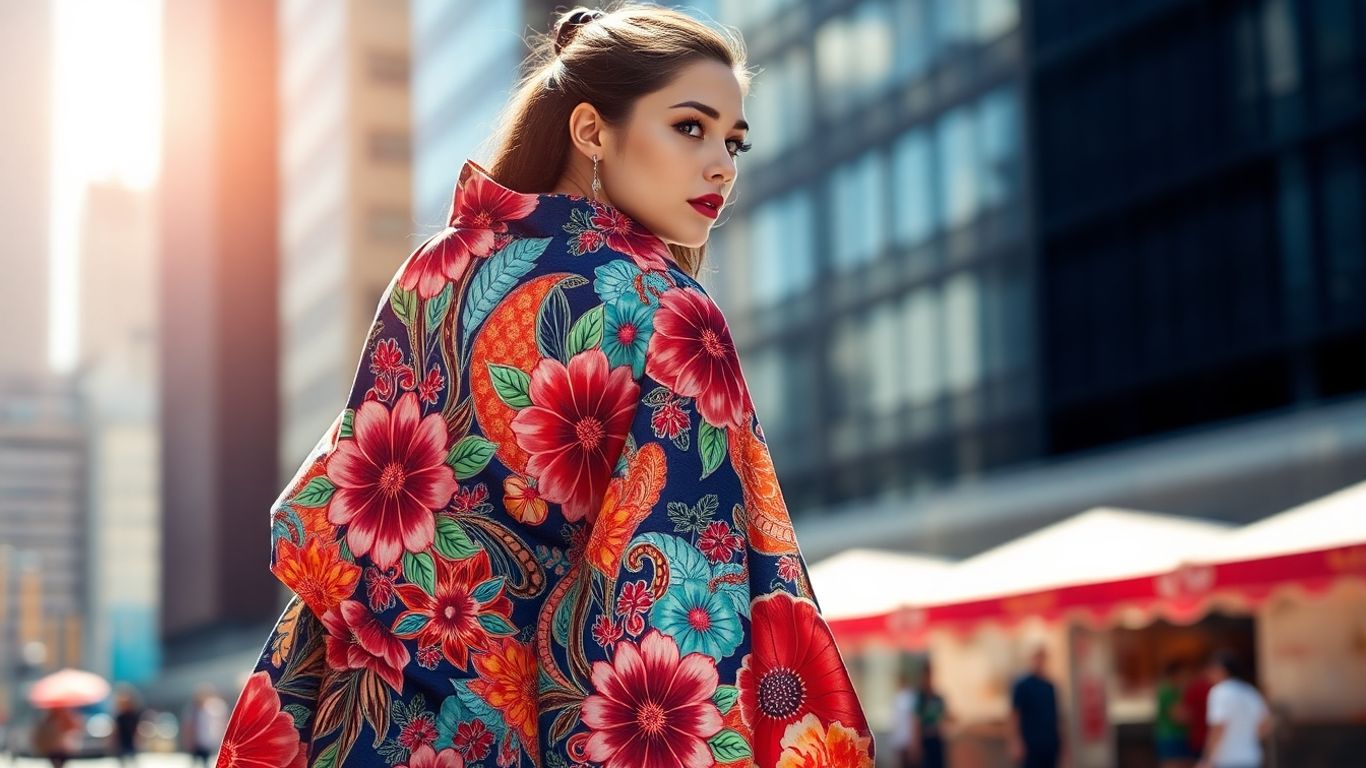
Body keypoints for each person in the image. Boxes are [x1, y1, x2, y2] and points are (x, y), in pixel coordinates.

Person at [216, 5, 874, 767]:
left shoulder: (434, 271)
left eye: (734, 140)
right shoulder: (671, 314)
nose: (723, 164)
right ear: (591, 131)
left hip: (368, 725)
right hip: (520, 736)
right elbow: (677, 606)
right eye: (691, 127)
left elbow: (352, 527)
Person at [1196, 649, 1270, 768]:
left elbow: (1218, 727)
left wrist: (1207, 758)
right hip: (1251, 757)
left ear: (1221, 670)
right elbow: (1265, 726)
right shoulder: (1250, 691)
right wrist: (1246, 738)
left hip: (1227, 759)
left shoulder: (1219, 692)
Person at [1009, 646, 1066, 768]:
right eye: (1037, 657)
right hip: (1031, 743)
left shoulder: (1050, 686)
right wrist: (1016, 741)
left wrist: (1062, 742)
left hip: (1049, 742)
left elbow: (1056, 717)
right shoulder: (1022, 685)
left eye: (1042, 657)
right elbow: (1015, 714)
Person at [1155, 659, 1195, 767]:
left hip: (1184, 738)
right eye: (1183, 674)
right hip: (1170, 738)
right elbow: (1179, 717)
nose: (1186, 677)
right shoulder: (1167, 691)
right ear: (1174, 674)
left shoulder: (1183, 690)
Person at [912, 662, 951, 768]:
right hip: (925, 741)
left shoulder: (938, 698)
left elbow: (945, 717)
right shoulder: (920, 699)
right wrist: (916, 745)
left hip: (937, 740)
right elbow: (916, 722)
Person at [182, 685, 227, 766]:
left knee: (206, 762)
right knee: (194, 763)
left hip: (208, 741)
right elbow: (188, 726)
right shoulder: (193, 710)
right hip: (196, 741)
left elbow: (221, 723)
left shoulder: (213, 708)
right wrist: (189, 740)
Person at [1183, 652, 1214, 759]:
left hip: (1201, 737)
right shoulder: (1218, 687)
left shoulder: (1194, 687)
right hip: (1211, 738)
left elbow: (1184, 715)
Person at [891, 670, 919, 768]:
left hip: (907, 740)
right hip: (901, 740)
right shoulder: (899, 697)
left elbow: (911, 719)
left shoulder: (908, 697)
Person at [111, 687, 144, 765]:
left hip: (131, 743)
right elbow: (116, 730)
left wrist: (139, 739)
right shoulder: (119, 717)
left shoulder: (134, 715)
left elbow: (137, 729)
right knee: (122, 762)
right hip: (122, 743)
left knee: (133, 761)